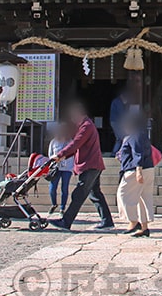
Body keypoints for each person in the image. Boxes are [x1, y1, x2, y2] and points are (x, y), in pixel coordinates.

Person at [48, 100, 114, 231]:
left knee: (79, 193)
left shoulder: (86, 126)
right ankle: (107, 221)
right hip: (93, 164)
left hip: (90, 165)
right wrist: (63, 156)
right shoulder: (85, 126)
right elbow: (77, 147)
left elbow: (76, 144)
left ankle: (66, 221)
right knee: (95, 194)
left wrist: (60, 154)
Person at [117, 112, 155, 237]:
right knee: (141, 198)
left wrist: (138, 170)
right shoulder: (141, 135)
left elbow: (138, 153)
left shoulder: (135, 135)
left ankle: (133, 221)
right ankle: (144, 227)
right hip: (147, 169)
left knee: (123, 194)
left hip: (136, 171)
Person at [47, 122, 75, 213]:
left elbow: (73, 153)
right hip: (56, 168)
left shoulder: (70, 141)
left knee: (64, 188)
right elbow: (50, 154)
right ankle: (54, 203)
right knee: (52, 188)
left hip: (67, 168)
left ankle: (62, 207)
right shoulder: (54, 142)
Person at [110, 89, 129, 155]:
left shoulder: (116, 101)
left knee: (120, 138)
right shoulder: (118, 102)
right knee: (121, 137)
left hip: (115, 122)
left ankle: (116, 153)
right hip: (116, 122)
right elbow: (121, 113)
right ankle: (116, 153)